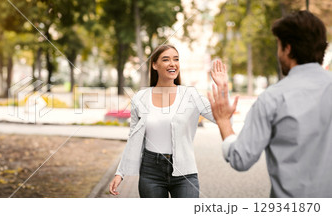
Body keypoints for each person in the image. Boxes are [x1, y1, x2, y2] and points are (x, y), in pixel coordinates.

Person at [207, 10, 332, 198]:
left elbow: (240, 158)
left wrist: (224, 120)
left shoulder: (272, 98)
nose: (278, 52)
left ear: (288, 49)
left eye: (279, 46)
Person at [108, 44, 228, 198]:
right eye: (166, 59)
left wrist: (222, 87)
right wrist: (120, 172)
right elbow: (133, 137)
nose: (172, 63)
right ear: (154, 65)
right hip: (151, 172)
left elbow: (222, 116)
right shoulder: (140, 98)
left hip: (185, 171)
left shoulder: (190, 95)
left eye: (176, 59)